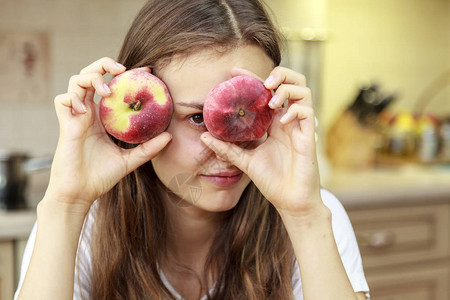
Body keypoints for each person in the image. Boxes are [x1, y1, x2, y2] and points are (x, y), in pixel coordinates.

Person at [15, 0, 370, 299]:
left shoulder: (314, 216)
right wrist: (66, 205)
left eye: (248, 111)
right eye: (199, 117)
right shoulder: (84, 226)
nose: (227, 145)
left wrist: (304, 216)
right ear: (141, 116)